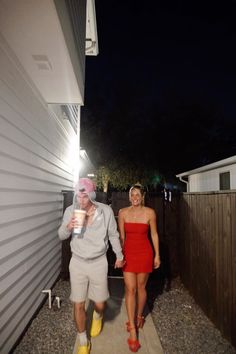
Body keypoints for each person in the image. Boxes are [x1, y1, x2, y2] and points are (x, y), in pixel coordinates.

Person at [58, 178, 124, 354]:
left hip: (98, 262)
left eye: (85, 195)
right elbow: (61, 235)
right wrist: (68, 226)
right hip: (77, 262)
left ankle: (98, 315)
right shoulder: (71, 211)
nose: (81, 199)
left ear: (92, 195)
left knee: (100, 303)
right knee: (78, 304)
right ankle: (82, 342)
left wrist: (119, 255)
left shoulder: (105, 211)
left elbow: (113, 234)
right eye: (78, 195)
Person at [118, 183, 161, 352]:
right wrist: (120, 256)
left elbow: (154, 234)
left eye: (138, 194)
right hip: (128, 253)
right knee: (130, 289)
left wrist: (157, 254)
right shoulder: (122, 213)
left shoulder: (150, 213)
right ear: (129, 196)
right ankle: (133, 331)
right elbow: (121, 237)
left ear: (142, 196)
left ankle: (138, 316)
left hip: (144, 253)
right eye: (132, 194)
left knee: (141, 287)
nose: (134, 197)